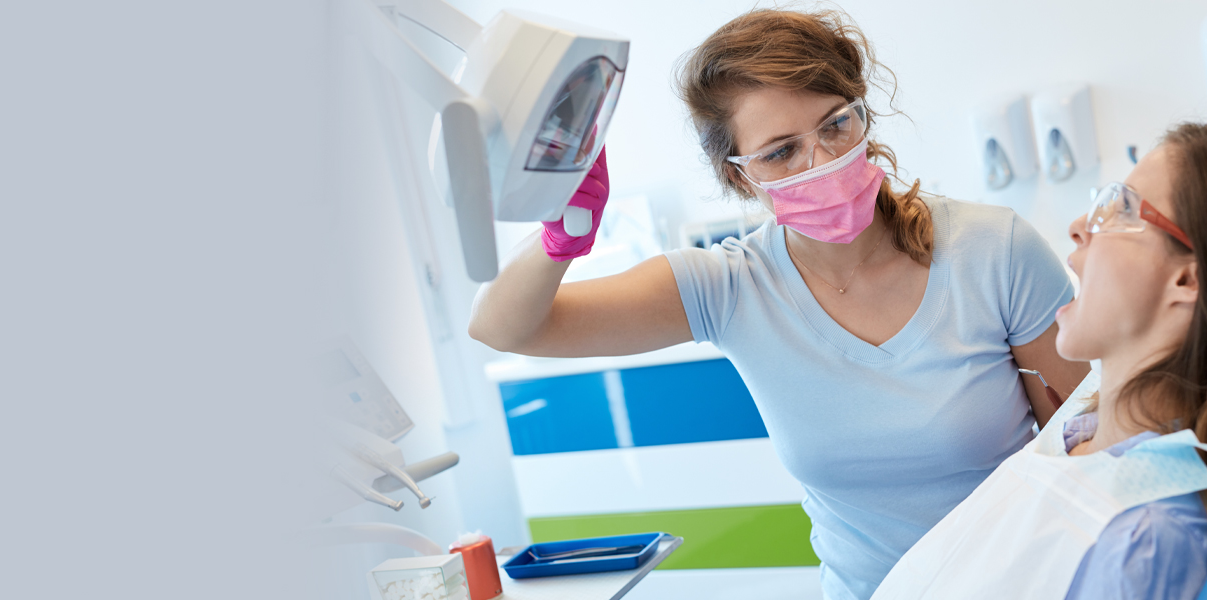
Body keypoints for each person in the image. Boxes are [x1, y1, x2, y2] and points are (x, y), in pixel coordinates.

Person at [467, 8, 1090, 600]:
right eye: (780, 151)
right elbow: (503, 327)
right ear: (740, 175)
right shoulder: (730, 288)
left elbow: (1087, 447)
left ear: (863, 118)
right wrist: (560, 240)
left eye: (836, 124)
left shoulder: (993, 251)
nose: (821, 160)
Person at [869, 123, 1207, 600]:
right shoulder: (1083, 434)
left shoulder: (1146, 544)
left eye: (1120, 208)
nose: (1079, 227)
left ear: (1188, 281)